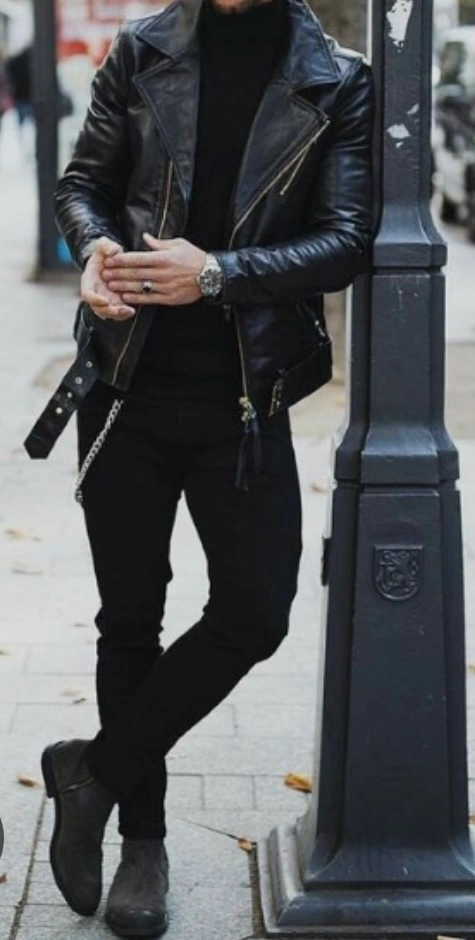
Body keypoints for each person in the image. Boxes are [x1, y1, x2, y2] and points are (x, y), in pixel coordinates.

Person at [27, 0, 374, 936]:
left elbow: (345, 240)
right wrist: (94, 250)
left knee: (255, 613)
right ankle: (142, 846)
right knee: (129, 622)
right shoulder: (143, 50)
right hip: (125, 389)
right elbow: (84, 184)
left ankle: (93, 771)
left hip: (244, 402)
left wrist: (215, 273)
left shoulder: (335, 78)